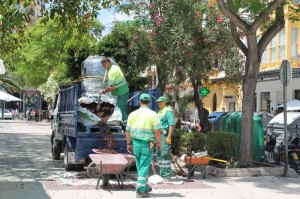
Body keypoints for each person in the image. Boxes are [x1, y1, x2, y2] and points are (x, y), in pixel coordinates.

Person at [126, 93, 162, 198]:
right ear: (149, 103)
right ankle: (141, 190)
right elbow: (157, 130)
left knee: (140, 166)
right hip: (147, 144)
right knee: (144, 166)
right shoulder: (153, 114)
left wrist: (128, 143)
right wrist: (159, 142)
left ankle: (145, 186)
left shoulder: (132, 114)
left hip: (135, 143)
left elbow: (127, 131)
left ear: (139, 102)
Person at [100, 56, 129, 122]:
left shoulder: (111, 72)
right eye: (102, 65)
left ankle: (126, 124)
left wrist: (104, 91)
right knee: (117, 106)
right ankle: (121, 122)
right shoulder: (114, 67)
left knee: (121, 107)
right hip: (121, 91)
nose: (103, 66)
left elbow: (112, 87)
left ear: (108, 63)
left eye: (104, 64)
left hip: (122, 92)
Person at [156, 96, 175, 180]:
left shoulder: (168, 111)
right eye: (158, 102)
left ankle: (167, 175)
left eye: (160, 102)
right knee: (159, 155)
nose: (159, 103)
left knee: (165, 154)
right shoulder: (160, 111)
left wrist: (169, 136)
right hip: (159, 135)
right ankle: (162, 173)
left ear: (165, 102)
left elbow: (171, 124)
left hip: (165, 135)